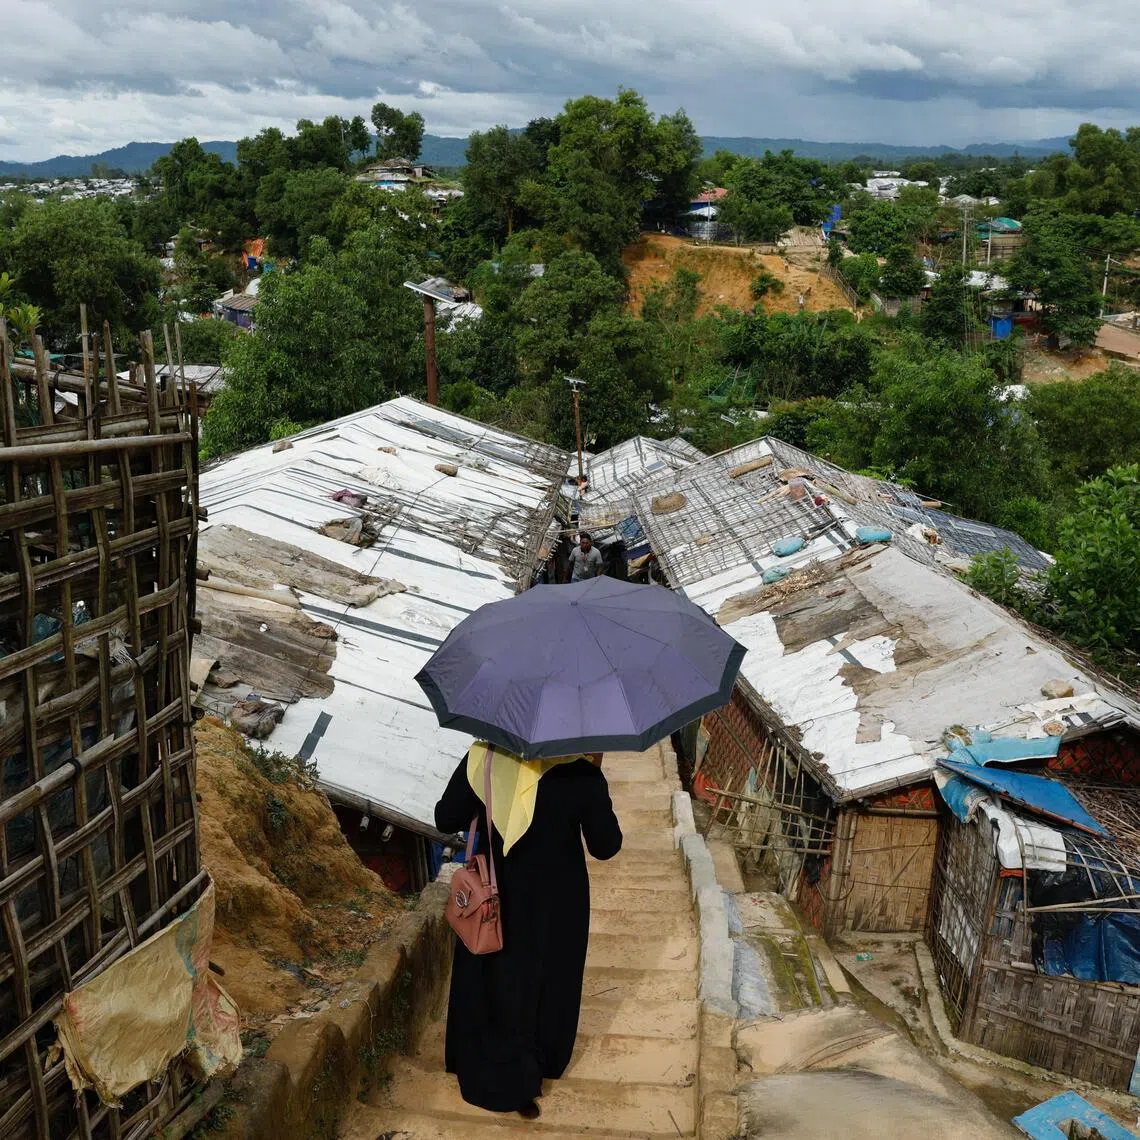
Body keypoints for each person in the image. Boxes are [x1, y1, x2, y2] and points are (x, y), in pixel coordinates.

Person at [435, 743, 622, 1118]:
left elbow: (445, 818)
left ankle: (477, 1056)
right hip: (556, 905)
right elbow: (605, 846)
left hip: (493, 895)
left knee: (490, 967)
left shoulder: (483, 759)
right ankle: (537, 1063)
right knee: (546, 978)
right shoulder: (582, 775)